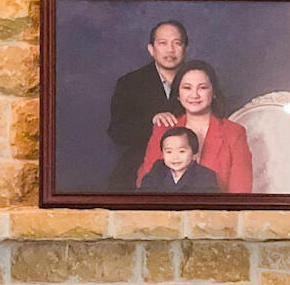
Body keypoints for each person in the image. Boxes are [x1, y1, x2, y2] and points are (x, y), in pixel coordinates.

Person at [136, 60, 254, 193]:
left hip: (216, 212)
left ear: (213, 92)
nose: (194, 95)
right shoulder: (164, 128)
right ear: (178, 94)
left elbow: (240, 192)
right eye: (187, 88)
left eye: (202, 88)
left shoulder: (233, 132)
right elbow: (145, 183)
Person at [106, 19, 189, 190]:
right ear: (151, 49)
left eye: (177, 43)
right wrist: (151, 121)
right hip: (138, 169)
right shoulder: (130, 83)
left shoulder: (199, 80)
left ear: (185, 49)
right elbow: (117, 132)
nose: (170, 50)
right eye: (163, 43)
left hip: (189, 173)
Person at [137, 126, 223, 193]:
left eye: (181, 151)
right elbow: (144, 193)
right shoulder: (158, 169)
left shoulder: (205, 175)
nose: (175, 157)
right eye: (169, 152)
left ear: (194, 154)